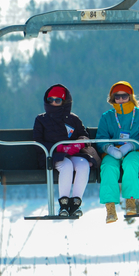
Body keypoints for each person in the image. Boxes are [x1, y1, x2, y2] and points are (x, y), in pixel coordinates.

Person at [33, 84, 100, 217]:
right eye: (50, 100)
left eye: (57, 100)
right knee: (67, 166)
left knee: (83, 164)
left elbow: (84, 135)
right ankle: (64, 204)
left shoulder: (73, 119)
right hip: (51, 155)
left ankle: (75, 203)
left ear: (64, 102)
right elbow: (37, 142)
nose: (53, 103)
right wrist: (58, 148)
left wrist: (78, 144)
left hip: (73, 154)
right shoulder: (41, 120)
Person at [96, 81, 139, 223]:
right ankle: (110, 206)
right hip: (114, 151)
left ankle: (130, 201)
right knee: (108, 166)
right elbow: (101, 137)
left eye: (124, 96)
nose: (121, 99)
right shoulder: (107, 117)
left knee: (130, 164)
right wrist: (109, 148)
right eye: (117, 97)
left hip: (135, 151)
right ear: (113, 98)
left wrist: (132, 146)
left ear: (130, 96)